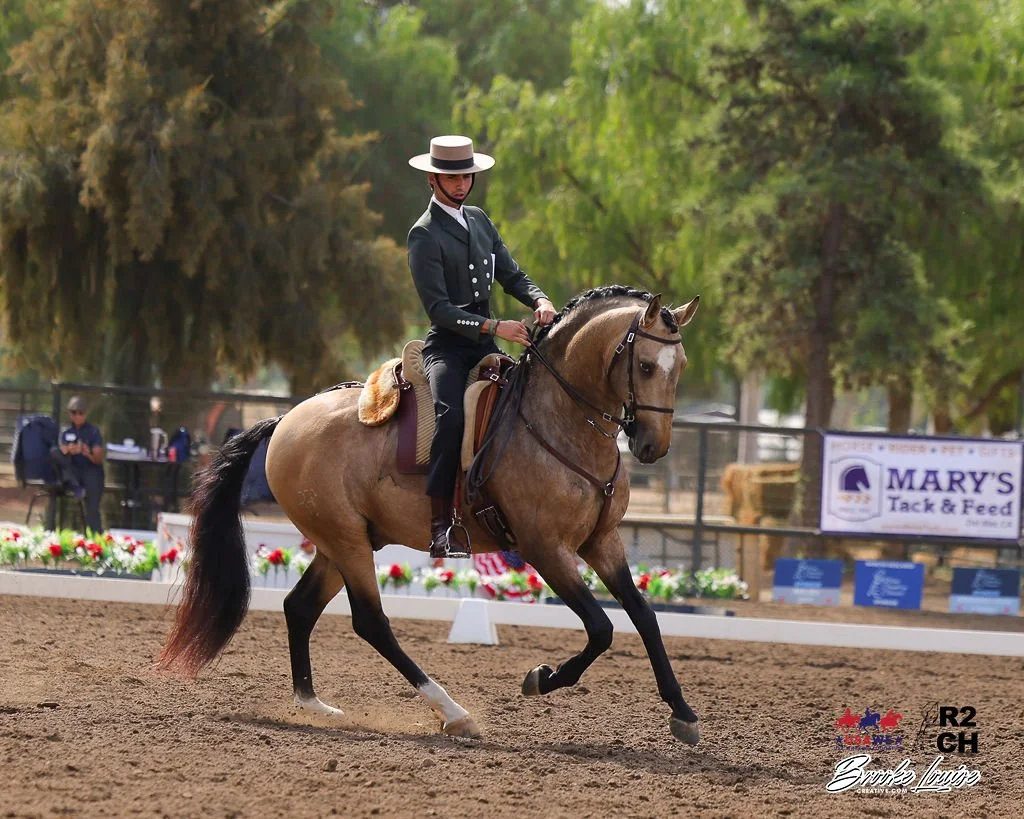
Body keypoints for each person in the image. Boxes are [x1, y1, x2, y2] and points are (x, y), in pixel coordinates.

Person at [408, 135, 557, 558]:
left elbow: (511, 274)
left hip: (488, 344)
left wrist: (540, 299)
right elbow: (438, 309)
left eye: (466, 176)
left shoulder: (479, 220)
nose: (461, 184)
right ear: (434, 178)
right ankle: (440, 526)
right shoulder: (423, 235)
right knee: (451, 418)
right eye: (452, 177)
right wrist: (496, 325)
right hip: (448, 348)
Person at [52, 395, 105, 533]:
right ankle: (75, 486)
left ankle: (96, 541)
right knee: (54, 452)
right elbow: (60, 450)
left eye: (80, 413)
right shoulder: (65, 431)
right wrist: (68, 450)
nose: (77, 416)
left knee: (92, 510)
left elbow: (98, 459)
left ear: (85, 413)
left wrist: (87, 452)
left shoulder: (93, 432)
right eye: (73, 413)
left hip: (90, 470)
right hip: (72, 469)